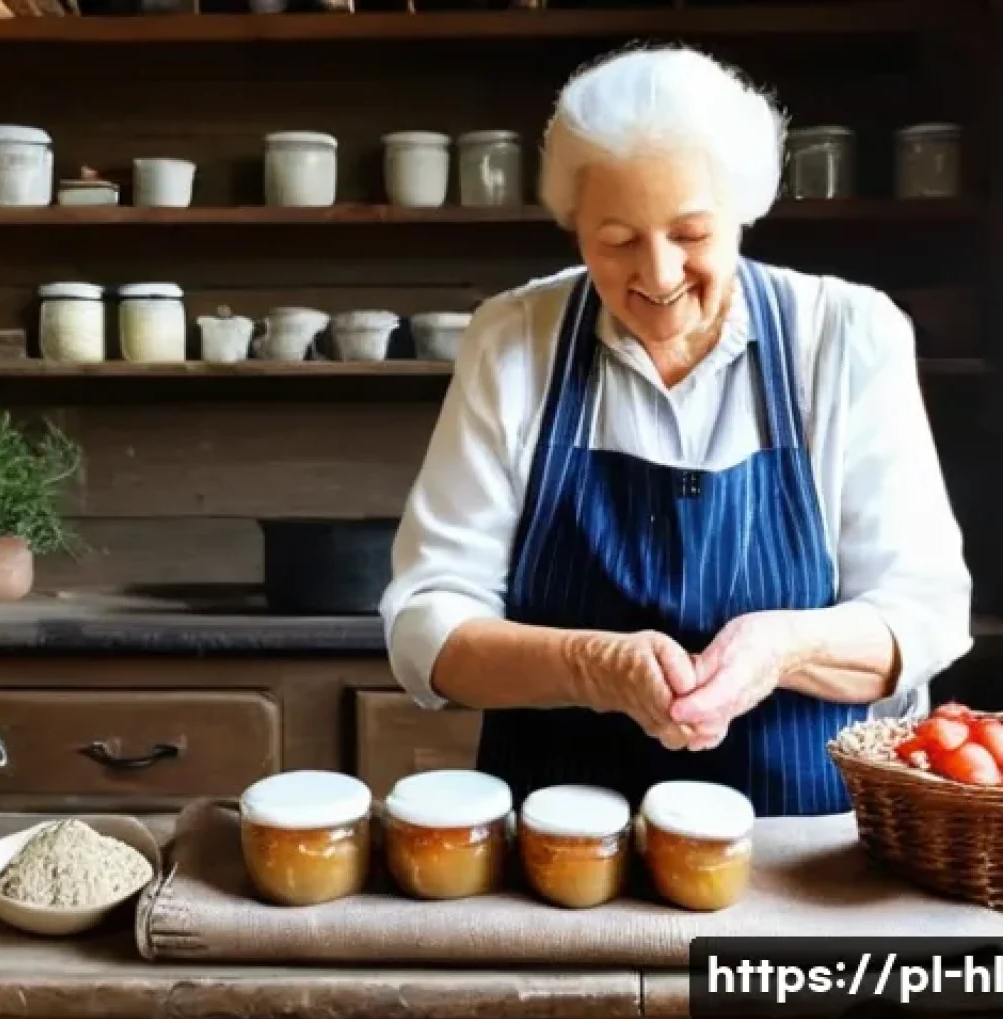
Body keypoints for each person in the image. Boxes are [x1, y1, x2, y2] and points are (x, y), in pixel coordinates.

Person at [379, 45, 973, 816]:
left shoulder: (847, 334)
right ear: (573, 226)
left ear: (743, 209)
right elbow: (430, 624)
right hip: (561, 845)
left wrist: (781, 648)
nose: (657, 277)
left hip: (804, 851)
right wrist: (590, 665)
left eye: (691, 233)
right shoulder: (513, 338)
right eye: (617, 240)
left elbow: (922, 611)